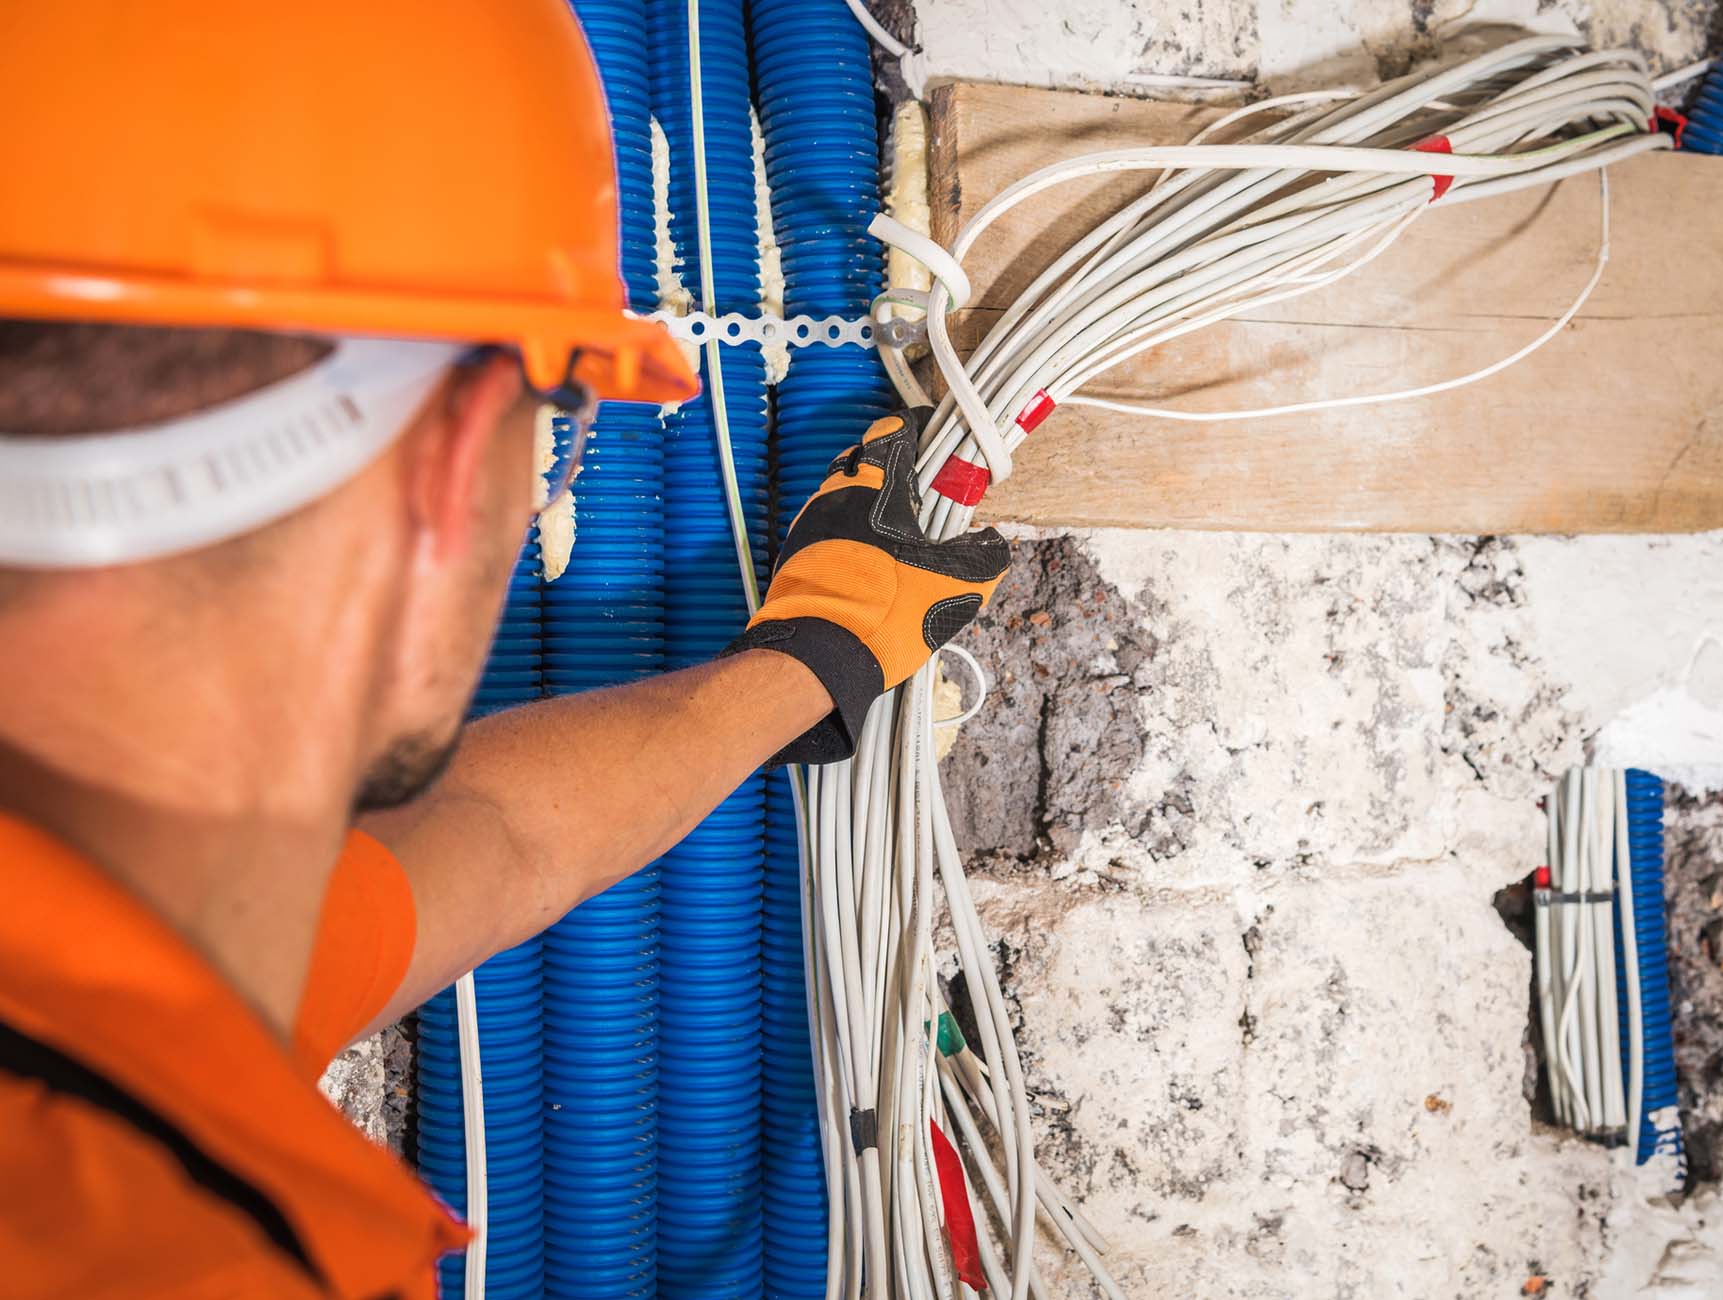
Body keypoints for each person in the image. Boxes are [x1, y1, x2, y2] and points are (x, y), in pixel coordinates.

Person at [0, 4, 1008, 1296]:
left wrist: (806, 663)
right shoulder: (185, 1255)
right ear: (453, 464)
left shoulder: (138, 936)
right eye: (557, 428)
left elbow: (492, 831)